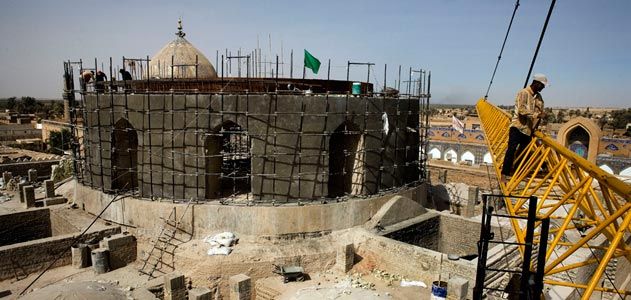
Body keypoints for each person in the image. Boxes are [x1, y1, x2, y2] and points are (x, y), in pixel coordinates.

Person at [500, 74, 548, 184]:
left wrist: (540, 119)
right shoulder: (523, 93)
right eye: (542, 86)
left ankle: (516, 173)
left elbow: (540, 110)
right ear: (536, 83)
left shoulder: (539, 97)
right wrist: (537, 115)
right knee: (511, 150)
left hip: (528, 130)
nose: (543, 88)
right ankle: (504, 174)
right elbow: (521, 110)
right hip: (518, 126)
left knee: (523, 153)